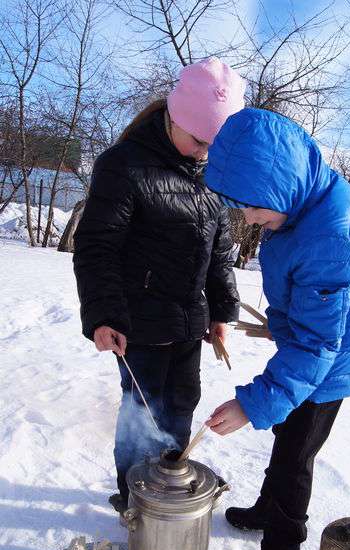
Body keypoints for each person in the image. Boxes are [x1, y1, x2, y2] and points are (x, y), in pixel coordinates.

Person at [204, 107, 350, 550]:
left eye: (255, 207)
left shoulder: (331, 237)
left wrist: (250, 403)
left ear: (280, 188)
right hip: (308, 353)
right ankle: (266, 510)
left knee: (294, 459)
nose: (248, 218)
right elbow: (305, 313)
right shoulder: (301, 204)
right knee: (285, 440)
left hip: (328, 368)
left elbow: (318, 341)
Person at [73, 58, 245, 514]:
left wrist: (222, 313)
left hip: (188, 320)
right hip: (139, 324)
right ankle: (134, 499)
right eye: (198, 140)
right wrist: (104, 315)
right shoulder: (124, 164)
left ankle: (169, 483)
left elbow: (220, 249)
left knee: (182, 404)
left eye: (213, 143)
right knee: (141, 417)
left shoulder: (212, 172)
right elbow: (96, 246)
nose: (203, 151)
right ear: (175, 117)